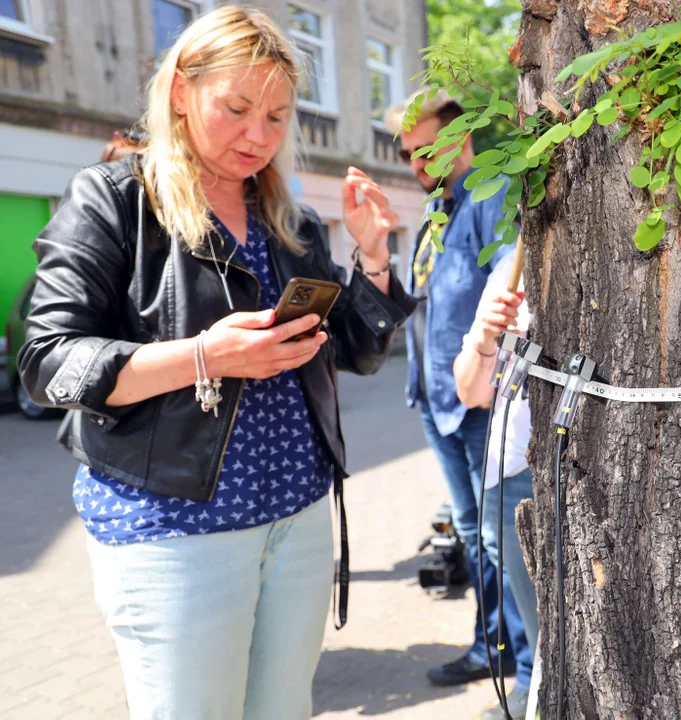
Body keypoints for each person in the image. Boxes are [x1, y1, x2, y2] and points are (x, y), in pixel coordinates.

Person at [16, 7, 414, 719]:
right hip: (174, 528)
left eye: (276, 116)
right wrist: (205, 355)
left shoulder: (286, 221)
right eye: (235, 108)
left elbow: (354, 349)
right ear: (179, 92)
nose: (257, 136)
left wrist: (374, 257)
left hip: (298, 515)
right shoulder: (115, 201)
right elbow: (47, 362)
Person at [383, 91, 534, 717]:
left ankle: (527, 672)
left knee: (503, 538)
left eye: (428, 147)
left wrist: (477, 362)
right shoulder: (436, 209)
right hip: (436, 399)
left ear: (462, 135)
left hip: (479, 401)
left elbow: (508, 280)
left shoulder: (489, 192)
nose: (418, 161)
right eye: (408, 152)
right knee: (474, 535)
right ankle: (493, 644)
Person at [453, 251, 539, 720]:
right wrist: (486, 340)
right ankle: (538, 690)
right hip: (510, 471)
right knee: (540, 622)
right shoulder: (512, 264)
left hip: (580, 473)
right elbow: (471, 392)